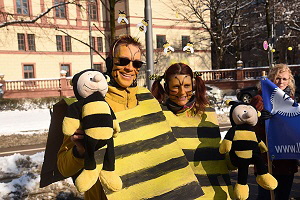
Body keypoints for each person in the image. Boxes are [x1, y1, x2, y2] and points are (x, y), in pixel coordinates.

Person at [42, 35, 204, 200]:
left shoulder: (147, 98)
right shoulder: (89, 103)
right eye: (123, 61)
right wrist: (80, 151)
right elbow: (63, 168)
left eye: (136, 64)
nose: (129, 68)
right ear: (111, 62)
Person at [151, 62, 234, 199]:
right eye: (176, 87)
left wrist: (237, 155)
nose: (182, 92)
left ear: (194, 86)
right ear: (166, 88)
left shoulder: (208, 113)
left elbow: (219, 157)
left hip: (218, 194)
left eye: (187, 86)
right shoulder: (159, 116)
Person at [250, 63, 299, 200]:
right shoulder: (260, 99)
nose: (281, 82)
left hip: (287, 159)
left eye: (284, 79)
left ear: (289, 80)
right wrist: (260, 119)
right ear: (271, 79)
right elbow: (249, 125)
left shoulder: (291, 100)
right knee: (266, 196)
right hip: (267, 159)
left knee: (283, 196)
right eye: (278, 78)